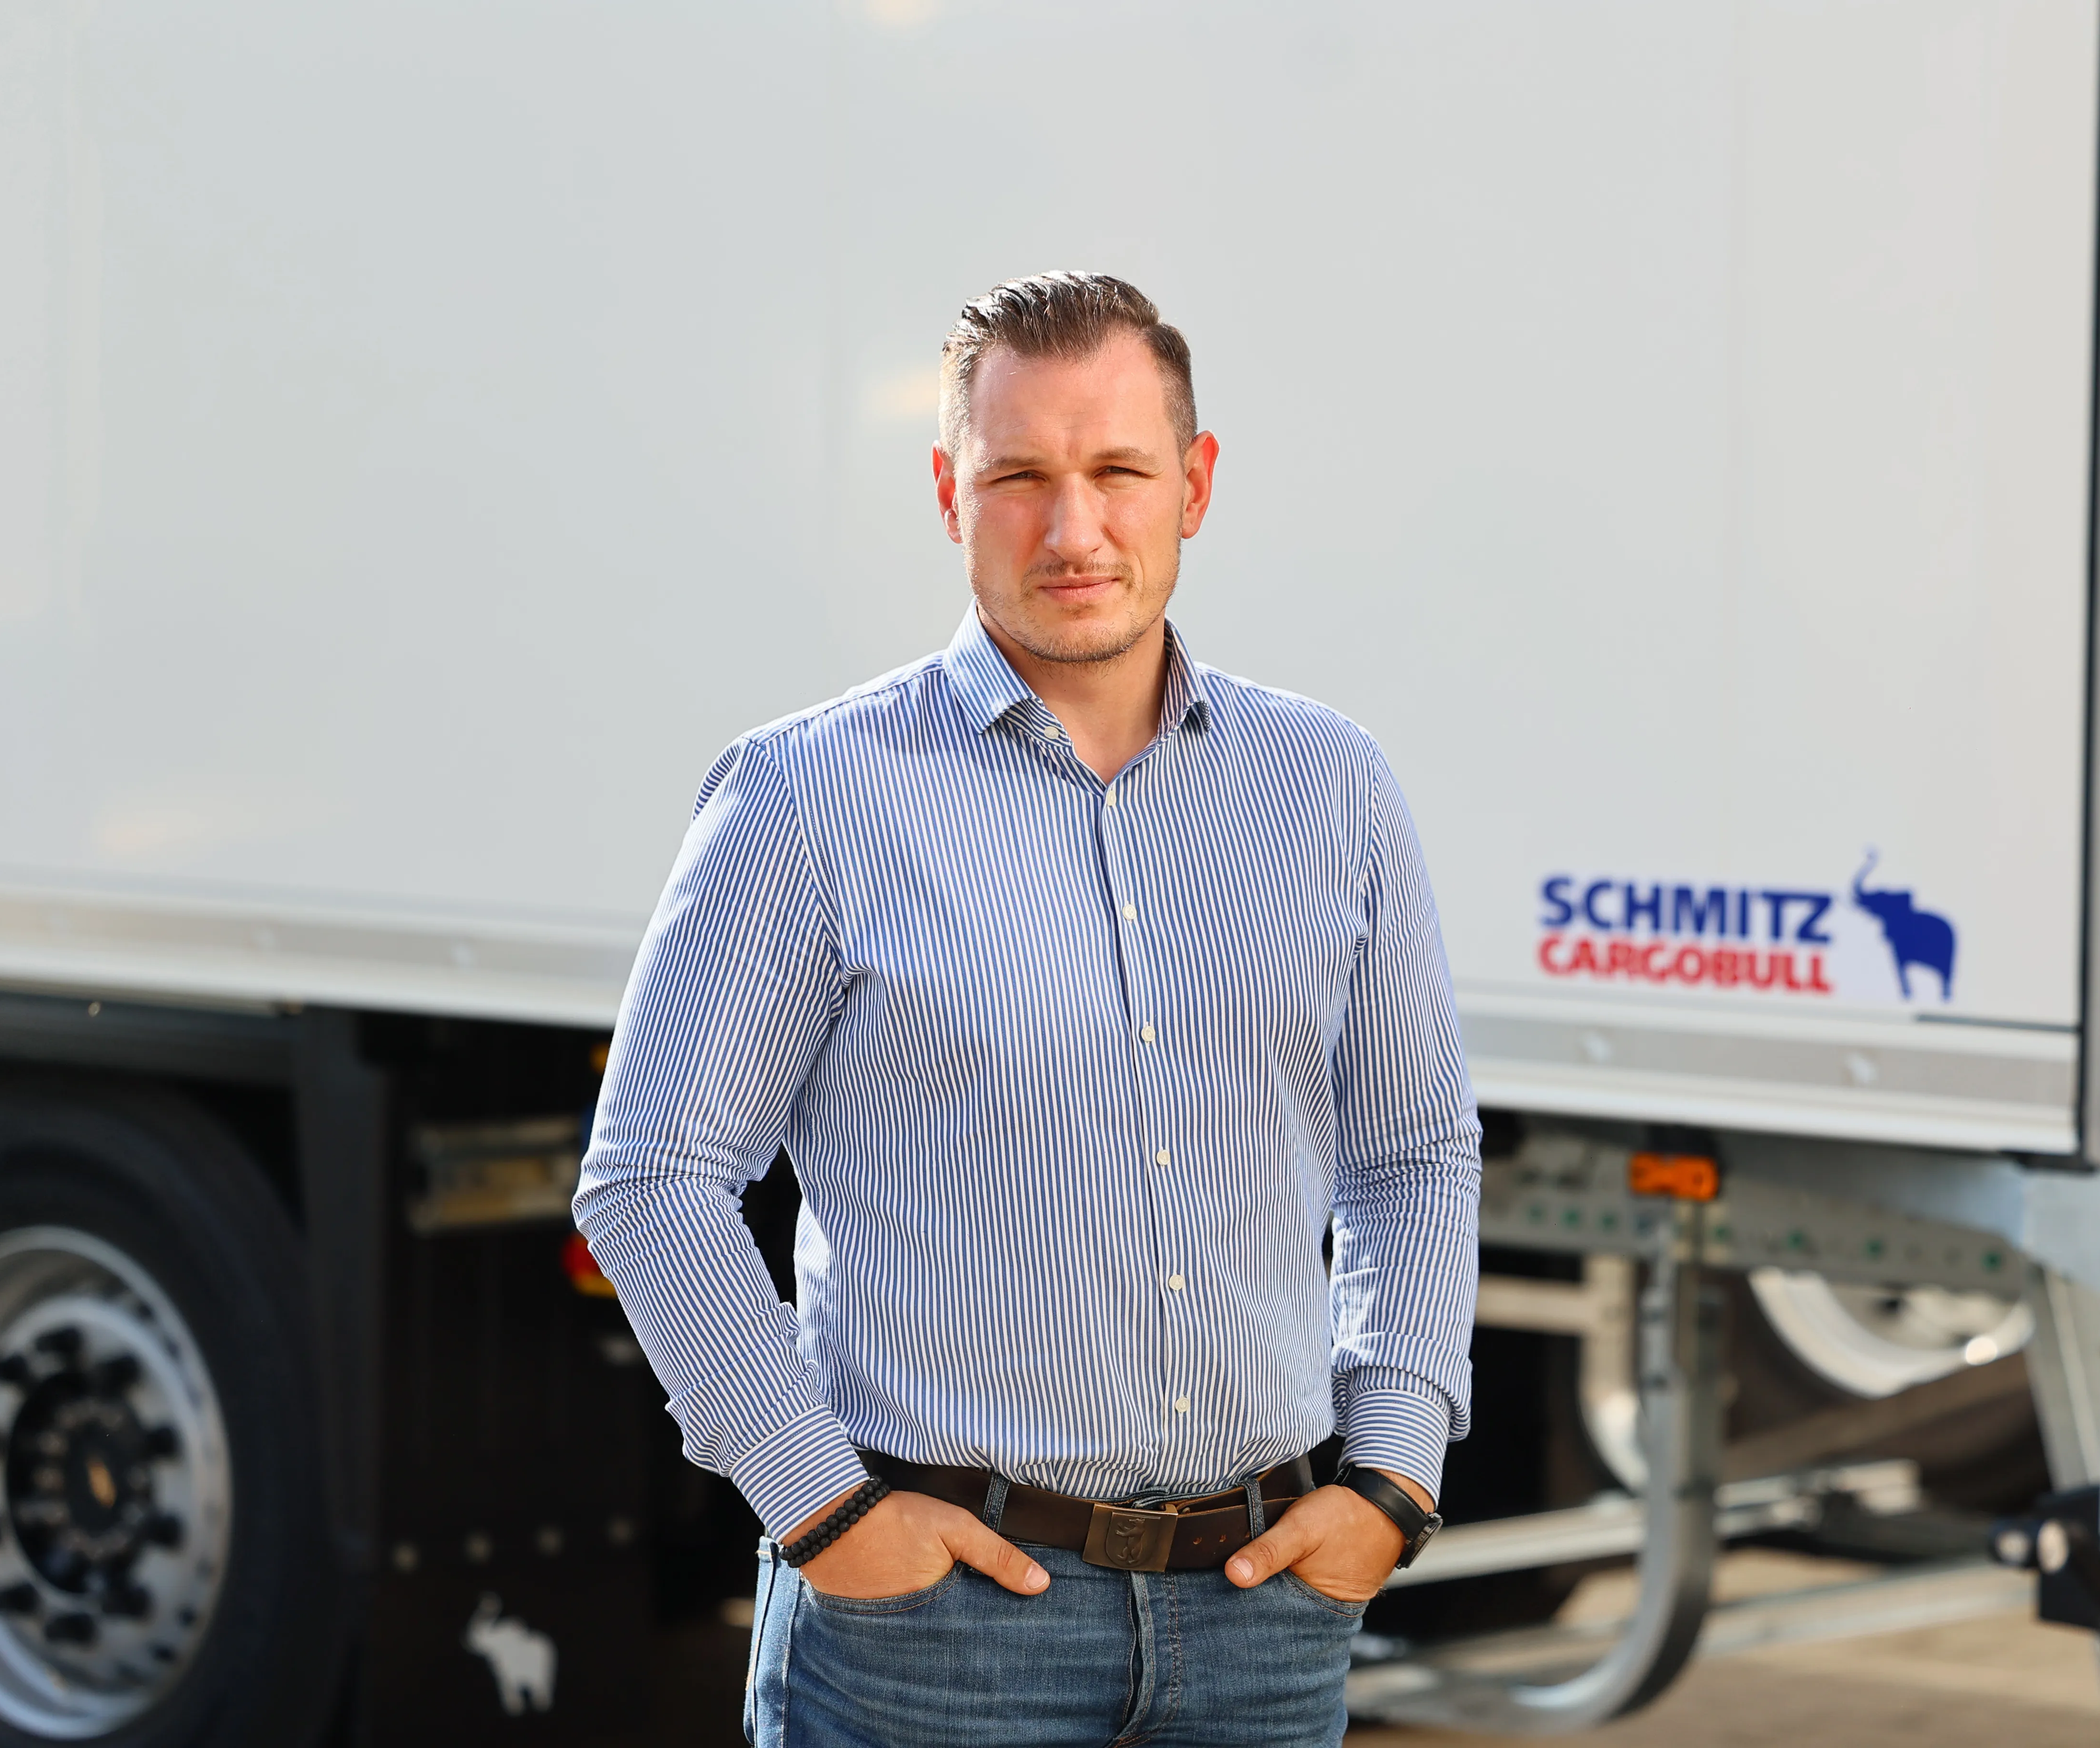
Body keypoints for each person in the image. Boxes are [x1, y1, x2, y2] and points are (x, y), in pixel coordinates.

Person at [575, 271, 1480, 1748]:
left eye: (1120, 471)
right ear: (950, 490)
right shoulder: (807, 799)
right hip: (935, 1639)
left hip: (1263, 1627)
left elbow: (1415, 1153)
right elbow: (653, 1180)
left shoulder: (1330, 789)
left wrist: (1390, 1481)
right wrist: (822, 1507)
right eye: (1020, 478)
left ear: (1195, 483)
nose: (1075, 530)